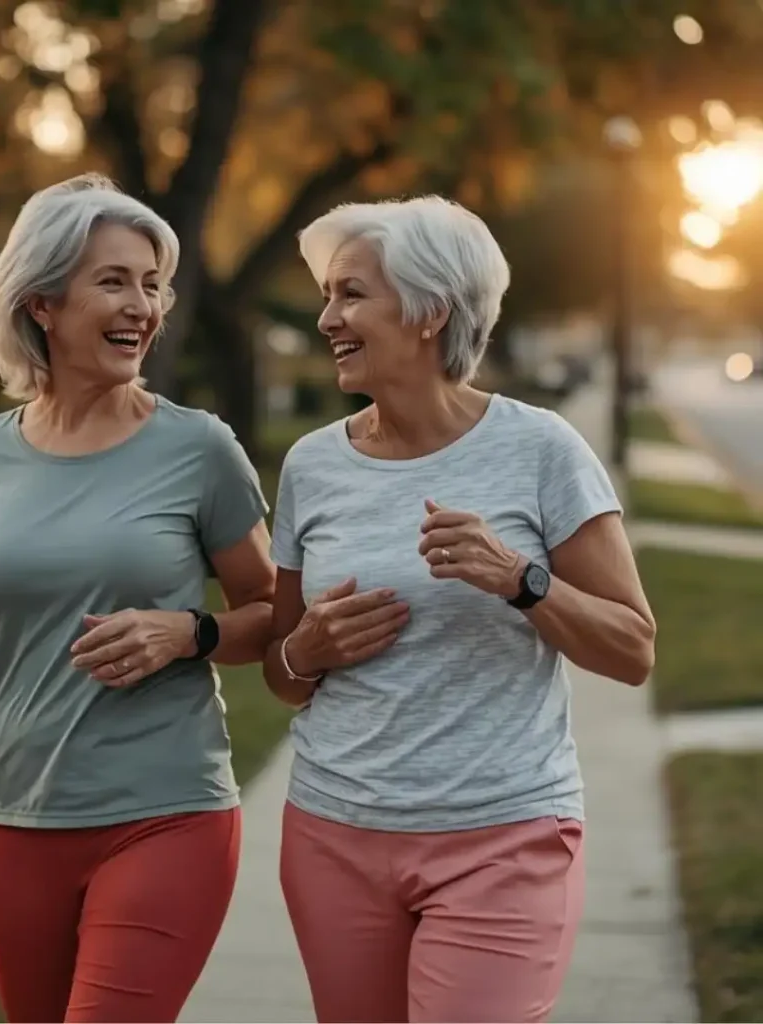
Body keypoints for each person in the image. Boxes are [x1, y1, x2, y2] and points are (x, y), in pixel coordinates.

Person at [0, 174, 276, 1024]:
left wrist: (190, 631)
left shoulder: (199, 450)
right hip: (10, 821)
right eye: (114, 281)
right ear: (43, 304)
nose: (142, 306)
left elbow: (273, 614)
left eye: (151, 284)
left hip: (166, 812)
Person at [263, 196, 656, 1024]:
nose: (327, 319)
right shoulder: (311, 466)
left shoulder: (540, 449)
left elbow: (632, 649)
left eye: (351, 295)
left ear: (430, 310)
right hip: (335, 834)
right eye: (328, 296)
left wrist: (521, 579)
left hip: (503, 837)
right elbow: (283, 675)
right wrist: (306, 649)